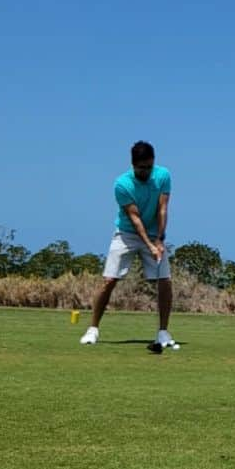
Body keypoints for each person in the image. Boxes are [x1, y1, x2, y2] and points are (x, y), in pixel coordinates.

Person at [80, 141, 176, 348]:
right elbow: (135, 218)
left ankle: (163, 332)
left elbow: (162, 209)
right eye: (142, 168)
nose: (146, 172)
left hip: (154, 233)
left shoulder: (163, 176)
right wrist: (149, 245)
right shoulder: (122, 184)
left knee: (164, 281)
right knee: (109, 281)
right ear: (133, 165)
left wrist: (159, 240)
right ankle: (93, 329)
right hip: (126, 234)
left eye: (149, 167)